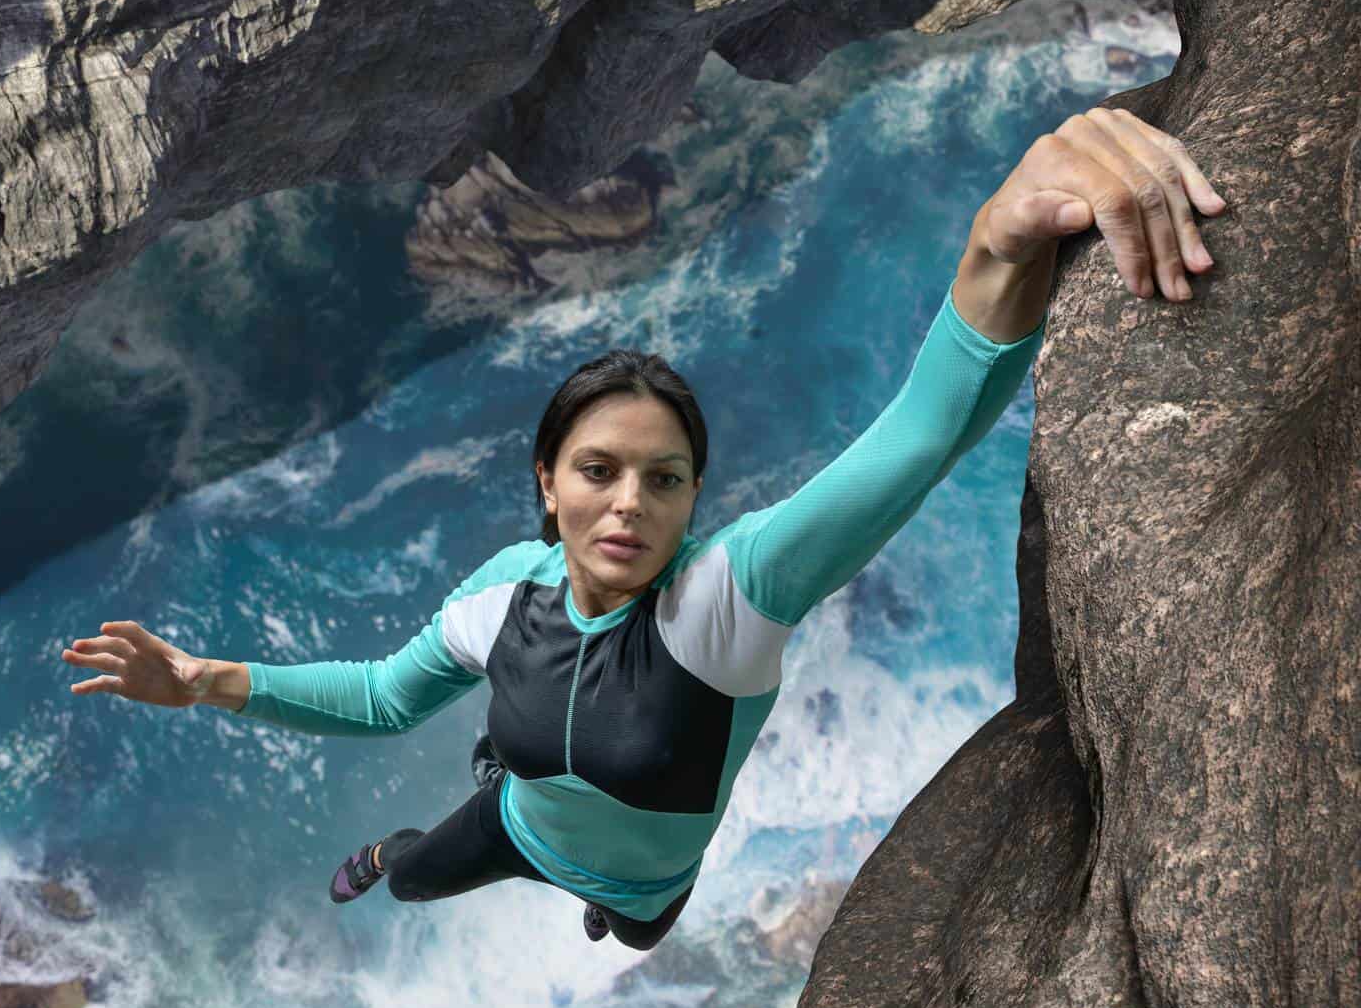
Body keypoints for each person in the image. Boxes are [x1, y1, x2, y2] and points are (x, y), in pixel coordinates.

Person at [62, 108, 1224, 950]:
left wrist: (995, 244)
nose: (629, 501)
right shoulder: (500, 598)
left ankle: (602, 908)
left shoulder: (721, 608)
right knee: (412, 880)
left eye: (662, 480)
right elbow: (378, 696)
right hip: (514, 822)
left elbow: (915, 440)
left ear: (691, 501)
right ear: (547, 484)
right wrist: (204, 678)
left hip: (647, 882)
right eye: (599, 471)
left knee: (630, 933)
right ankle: (394, 850)